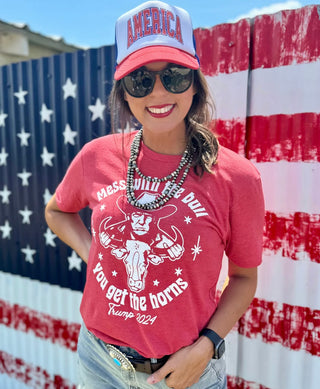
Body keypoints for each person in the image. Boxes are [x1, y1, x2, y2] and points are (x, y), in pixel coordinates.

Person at [45, 1, 265, 389]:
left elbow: (245, 277)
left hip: (186, 373)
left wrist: (206, 348)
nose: (159, 92)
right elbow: (57, 211)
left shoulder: (237, 178)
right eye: (141, 80)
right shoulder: (97, 155)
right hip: (99, 360)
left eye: (176, 76)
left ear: (195, 83)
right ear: (124, 93)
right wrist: (91, 249)